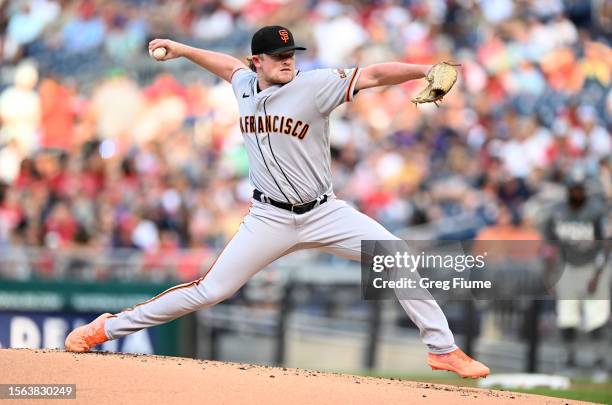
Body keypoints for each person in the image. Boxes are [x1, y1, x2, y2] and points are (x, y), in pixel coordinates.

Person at [65, 25, 489, 378]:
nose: (287, 60)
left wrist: (424, 70)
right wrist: (181, 49)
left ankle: (442, 349)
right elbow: (226, 66)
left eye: (290, 53)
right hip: (268, 217)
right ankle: (106, 328)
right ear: (258, 63)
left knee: (393, 254)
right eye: (277, 55)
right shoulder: (244, 84)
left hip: (324, 212)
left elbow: (375, 74)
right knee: (210, 290)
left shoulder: (315, 86)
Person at [543, 169, 610, 381]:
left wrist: (597, 275)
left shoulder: (596, 211)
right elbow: (550, 247)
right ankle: (569, 361)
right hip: (568, 267)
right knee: (567, 317)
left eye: (580, 189)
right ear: (568, 189)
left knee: (597, 318)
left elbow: (605, 245)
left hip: (592, 266)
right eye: (574, 189)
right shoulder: (556, 212)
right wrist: (550, 273)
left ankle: (600, 363)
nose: (577, 193)